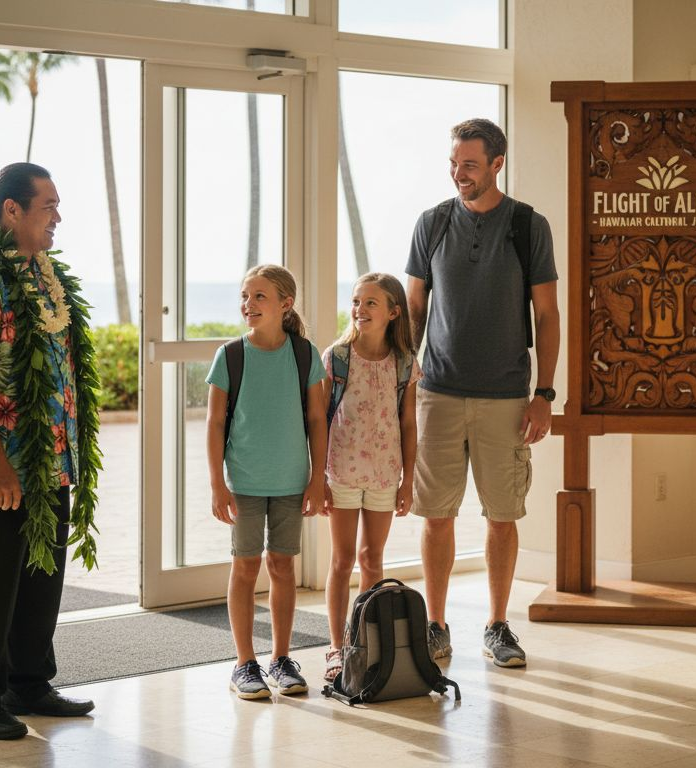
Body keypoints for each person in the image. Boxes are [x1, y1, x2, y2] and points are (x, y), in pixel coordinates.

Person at [0, 162, 100, 740]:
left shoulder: (44, 275)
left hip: (48, 459)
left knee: (41, 573)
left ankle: (29, 682)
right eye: (48, 206)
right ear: (12, 210)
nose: (58, 216)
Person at [406, 118, 560, 668]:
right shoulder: (431, 223)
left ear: (497, 163)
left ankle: (497, 625)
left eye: (469, 164)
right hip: (439, 394)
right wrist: (406, 375)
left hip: (505, 397)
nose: (458, 174)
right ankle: (436, 624)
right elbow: (416, 308)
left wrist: (544, 393)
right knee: (437, 516)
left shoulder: (527, 225)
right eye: (453, 163)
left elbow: (546, 313)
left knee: (502, 516)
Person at [206, 265, 328, 699]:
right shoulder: (231, 356)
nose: (248, 304)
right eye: (245, 296)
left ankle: (280, 659)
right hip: (244, 483)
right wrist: (218, 484)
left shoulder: (304, 354)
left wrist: (318, 478)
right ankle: (244, 663)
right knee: (245, 566)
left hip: (293, 482)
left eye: (259, 296)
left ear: (285, 304)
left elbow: (316, 417)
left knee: (282, 566)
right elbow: (215, 423)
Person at [319, 272, 419, 682]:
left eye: (371, 303)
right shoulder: (337, 357)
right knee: (342, 560)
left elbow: (409, 424)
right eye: (356, 302)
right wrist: (319, 477)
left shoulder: (405, 364)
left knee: (371, 560)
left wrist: (408, 481)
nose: (360, 309)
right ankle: (336, 649)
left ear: (394, 312)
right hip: (341, 472)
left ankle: (364, 641)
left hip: (384, 476)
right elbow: (320, 420)